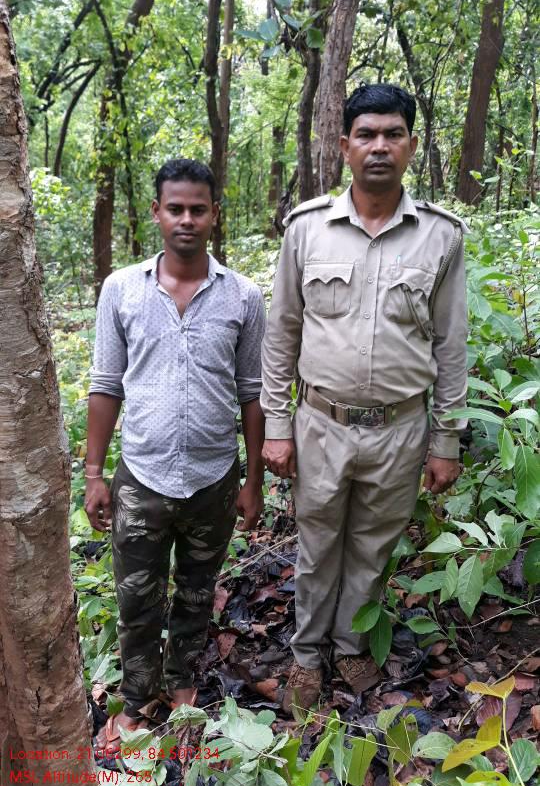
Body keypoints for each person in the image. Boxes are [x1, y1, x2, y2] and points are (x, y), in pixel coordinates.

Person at [260, 84, 468, 713]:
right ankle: (306, 656)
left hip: (401, 428)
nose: (380, 146)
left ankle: (351, 645)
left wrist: (446, 439)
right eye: (367, 134)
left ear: (411, 145)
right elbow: (282, 332)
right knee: (317, 543)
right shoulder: (307, 230)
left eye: (393, 134)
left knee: (374, 544)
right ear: (344, 144)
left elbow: (451, 343)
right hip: (320, 422)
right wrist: (276, 426)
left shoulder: (440, 236)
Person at [85, 157, 266, 749]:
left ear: (214, 215)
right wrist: (94, 474)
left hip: (214, 478)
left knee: (195, 591)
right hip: (142, 477)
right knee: (137, 598)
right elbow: (105, 385)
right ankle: (137, 702)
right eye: (176, 209)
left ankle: (182, 685)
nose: (187, 219)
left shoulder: (243, 297)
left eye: (198, 209)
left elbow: (252, 393)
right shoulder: (121, 290)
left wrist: (253, 481)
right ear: (157, 213)